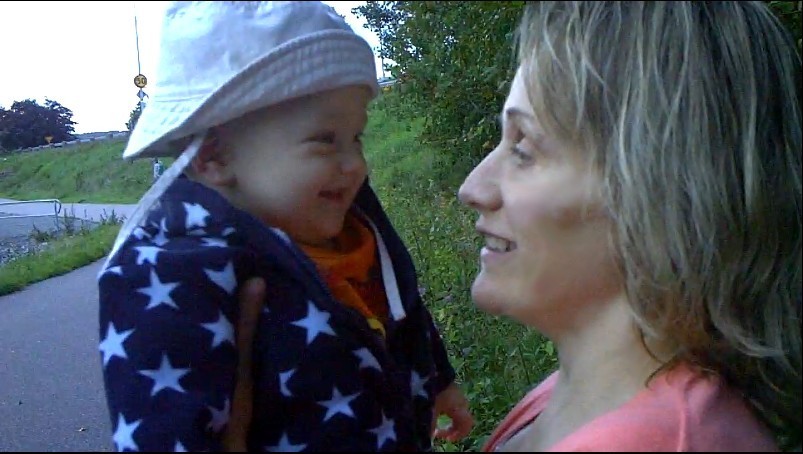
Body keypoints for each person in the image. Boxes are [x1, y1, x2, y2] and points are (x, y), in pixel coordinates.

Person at [96, 2, 472, 452]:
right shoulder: (173, 274)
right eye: (325, 140)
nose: (356, 164)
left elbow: (402, 306)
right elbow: (164, 427)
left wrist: (438, 379)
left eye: (356, 137)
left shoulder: (356, 228)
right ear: (214, 156)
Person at [455, 1, 801, 451]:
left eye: (524, 148)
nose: (473, 188)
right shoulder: (571, 398)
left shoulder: (653, 441)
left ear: (659, 188)